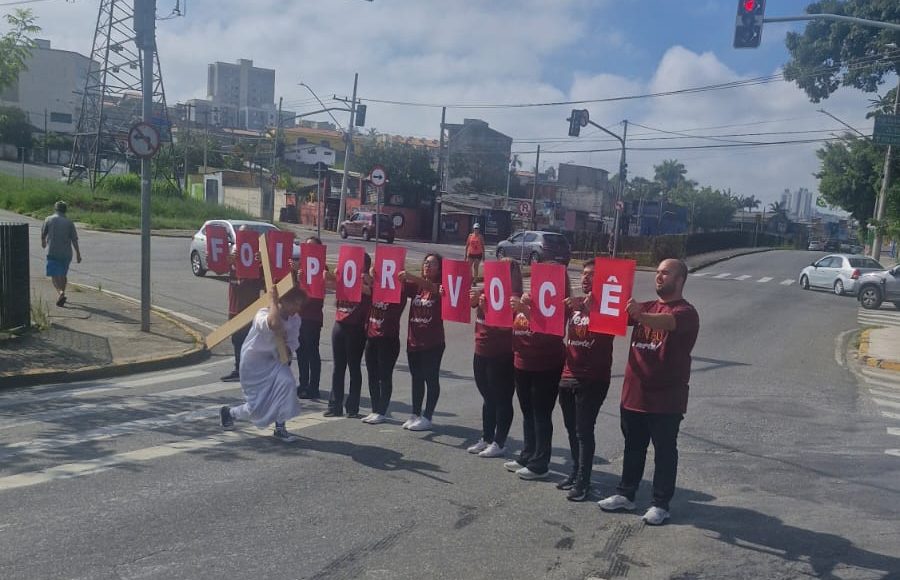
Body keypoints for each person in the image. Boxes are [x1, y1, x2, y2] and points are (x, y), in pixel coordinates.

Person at [597, 258, 700, 526]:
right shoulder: (648, 306)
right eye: (657, 272)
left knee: (665, 451)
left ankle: (660, 504)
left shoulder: (686, 312)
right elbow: (612, 314)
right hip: (634, 394)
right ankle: (626, 494)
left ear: (679, 280)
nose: (658, 277)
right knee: (633, 447)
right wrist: (589, 304)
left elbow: (667, 322)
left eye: (665, 273)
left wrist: (640, 316)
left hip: (666, 399)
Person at [219, 284, 309, 442]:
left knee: (287, 384)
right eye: (294, 303)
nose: (298, 308)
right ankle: (229, 413)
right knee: (258, 407)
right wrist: (273, 301)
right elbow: (274, 324)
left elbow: (293, 342)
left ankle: (280, 427)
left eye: (300, 304)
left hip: (275, 361)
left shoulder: (295, 320)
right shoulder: (262, 313)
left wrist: (287, 349)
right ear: (283, 300)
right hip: (254, 364)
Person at [557, 261, 614, 501]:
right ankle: (574, 471)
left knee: (583, 430)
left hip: (592, 378)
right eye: (584, 274)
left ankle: (584, 480)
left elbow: (611, 331)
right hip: (568, 374)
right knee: (571, 428)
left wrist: (593, 310)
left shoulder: (608, 307)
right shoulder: (574, 306)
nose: (585, 278)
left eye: (591, 275)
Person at [503, 277, 567, 480]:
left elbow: (551, 331)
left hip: (546, 365)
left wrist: (526, 309)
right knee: (527, 412)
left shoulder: (561, 305)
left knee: (541, 413)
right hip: (522, 362)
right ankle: (528, 454)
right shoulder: (529, 299)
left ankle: (540, 463)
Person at [466, 258, 522, 458]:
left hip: (502, 353)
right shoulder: (487, 291)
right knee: (487, 397)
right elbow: (468, 304)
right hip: (481, 350)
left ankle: (500, 442)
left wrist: (487, 307)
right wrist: (474, 299)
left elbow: (504, 325)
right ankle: (487, 437)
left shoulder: (515, 297)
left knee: (502, 398)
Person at [398, 253, 445, 431]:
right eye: (426, 263)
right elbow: (399, 285)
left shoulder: (440, 288)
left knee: (430, 379)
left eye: (432, 264)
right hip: (414, 341)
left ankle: (428, 416)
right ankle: (415, 413)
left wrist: (410, 276)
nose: (427, 266)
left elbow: (431, 287)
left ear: (440, 269)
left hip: (433, 343)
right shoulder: (417, 288)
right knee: (416, 378)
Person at [325, 252, 373, 419]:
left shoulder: (367, 283)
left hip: (356, 328)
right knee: (338, 367)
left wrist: (352, 279)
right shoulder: (345, 279)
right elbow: (328, 284)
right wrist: (333, 275)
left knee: (354, 367)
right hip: (340, 325)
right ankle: (334, 405)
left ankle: (352, 407)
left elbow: (368, 290)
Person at [362, 262, 409, 425]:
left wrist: (401, 279)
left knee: (384, 376)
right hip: (371, 337)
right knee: (372, 374)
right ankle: (375, 409)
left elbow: (402, 292)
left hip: (387, 339)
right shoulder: (375, 289)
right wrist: (367, 277)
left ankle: (382, 411)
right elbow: (363, 288)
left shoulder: (397, 293)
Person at [221, 226, 265, 382]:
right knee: (236, 340)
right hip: (234, 308)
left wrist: (263, 262)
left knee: (249, 342)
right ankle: (238, 368)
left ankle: (248, 369)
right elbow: (217, 267)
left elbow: (266, 284)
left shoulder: (256, 262)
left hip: (249, 310)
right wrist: (228, 260)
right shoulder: (233, 258)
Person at [296, 236, 325, 399]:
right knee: (301, 352)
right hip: (299, 315)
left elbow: (320, 289)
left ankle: (314, 386)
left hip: (313, 316)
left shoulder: (321, 267)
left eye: (313, 247)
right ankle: (303, 383)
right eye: (307, 247)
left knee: (312, 351)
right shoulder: (301, 267)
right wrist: (296, 275)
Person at [41, 201, 82, 307]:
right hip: (66, 253)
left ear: (55, 209)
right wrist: (78, 253)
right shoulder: (69, 222)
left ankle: (60, 292)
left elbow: (43, 233)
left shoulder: (49, 219)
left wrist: (43, 242)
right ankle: (62, 295)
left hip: (53, 251)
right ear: (65, 210)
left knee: (54, 275)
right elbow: (74, 239)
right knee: (63, 274)